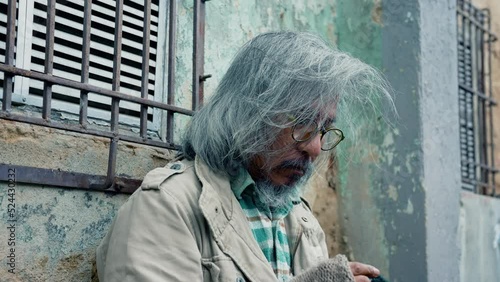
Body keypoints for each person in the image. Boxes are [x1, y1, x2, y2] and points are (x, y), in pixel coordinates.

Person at [96, 31, 393, 282]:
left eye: (324, 128)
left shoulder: (300, 219)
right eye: (302, 121)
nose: (315, 148)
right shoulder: (166, 206)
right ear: (247, 114)